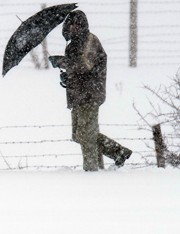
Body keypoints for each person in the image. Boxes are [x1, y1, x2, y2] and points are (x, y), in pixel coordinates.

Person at [50, 10, 133, 171]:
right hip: (77, 95)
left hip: (90, 94)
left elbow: (85, 64)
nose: (73, 27)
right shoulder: (72, 45)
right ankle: (118, 153)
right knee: (78, 135)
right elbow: (77, 70)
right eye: (71, 24)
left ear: (83, 25)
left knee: (86, 135)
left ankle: (92, 171)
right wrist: (67, 79)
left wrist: (61, 61)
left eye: (77, 24)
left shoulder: (90, 40)